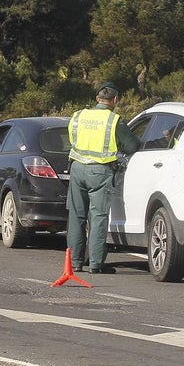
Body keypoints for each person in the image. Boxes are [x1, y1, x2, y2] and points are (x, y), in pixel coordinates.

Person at [66, 83, 140, 274]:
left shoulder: (78, 116)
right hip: (99, 171)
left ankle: (74, 262)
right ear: (115, 100)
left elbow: (72, 140)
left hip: (76, 167)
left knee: (76, 216)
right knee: (98, 217)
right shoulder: (114, 120)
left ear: (97, 98)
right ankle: (96, 264)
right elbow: (132, 146)